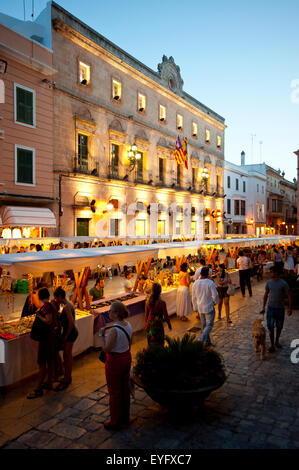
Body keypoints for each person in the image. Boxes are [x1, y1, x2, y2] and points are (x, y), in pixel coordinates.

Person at [99, 302, 133, 430]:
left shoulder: (114, 330)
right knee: (125, 389)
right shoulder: (128, 325)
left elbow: (106, 349)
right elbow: (131, 342)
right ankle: (125, 416)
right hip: (126, 357)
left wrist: (101, 336)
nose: (109, 313)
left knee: (114, 391)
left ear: (117, 313)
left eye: (111, 311)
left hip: (115, 361)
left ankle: (115, 420)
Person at [27, 288, 59, 398]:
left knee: (42, 363)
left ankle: (38, 388)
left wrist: (39, 316)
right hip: (49, 337)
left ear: (40, 297)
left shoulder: (46, 306)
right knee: (49, 360)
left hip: (46, 338)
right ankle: (49, 382)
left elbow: (48, 320)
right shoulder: (51, 305)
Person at [261, 265, 292, 352]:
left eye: (271, 272)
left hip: (280, 309)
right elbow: (266, 295)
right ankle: (271, 344)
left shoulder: (283, 283)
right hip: (270, 308)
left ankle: (277, 341)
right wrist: (263, 306)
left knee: (279, 326)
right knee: (270, 327)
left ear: (276, 273)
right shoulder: (269, 283)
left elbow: (289, 295)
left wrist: (289, 308)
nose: (270, 273)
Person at [54, 286, 78, 390]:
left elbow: (71, 323)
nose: (55, 300)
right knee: (67, 355)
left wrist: (66, 336)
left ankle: (67, 378)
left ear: (59, 297)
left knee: (67, 356)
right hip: (71, 332)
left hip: (71, 333)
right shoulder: (67, 304)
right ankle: (67, 376)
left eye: (56, 298)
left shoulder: (67, 306)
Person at [192, 267, 219, 346]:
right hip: (208, 306)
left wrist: (195, 307)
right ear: (207, 274)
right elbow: (215, 295)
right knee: (209, 325)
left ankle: (207, 342)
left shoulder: (195, 283)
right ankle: (201, 339)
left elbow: (193, 297)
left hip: (200, 307)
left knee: (204, 326)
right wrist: (215, 302)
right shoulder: (210, 283)